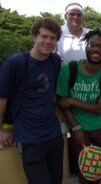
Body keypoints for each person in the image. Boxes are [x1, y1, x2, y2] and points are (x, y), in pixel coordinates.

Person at [0, 17, 63, 184]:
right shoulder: (15, 63)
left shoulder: (55, 61)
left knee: (57, 180)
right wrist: (0, 130)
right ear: (34, 37)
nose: (48, 41)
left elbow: (53, 93)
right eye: (44, 36)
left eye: (53, 38)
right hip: (29, 137)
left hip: (54, 134)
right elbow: (2, 100)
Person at [56, 29, 101, 184]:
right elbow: (61, 103)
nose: (96, 50)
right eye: (92, 45)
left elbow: (99, 108)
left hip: (100, 128)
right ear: (86, 46)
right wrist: (76, 128)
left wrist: (73, 101)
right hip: (78, 128)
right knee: (85, 172)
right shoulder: (68, 70)